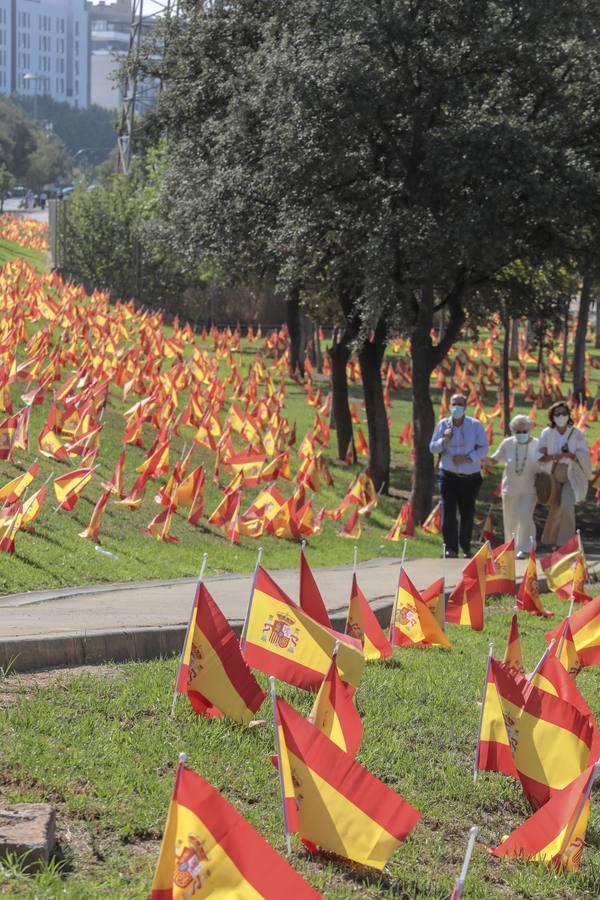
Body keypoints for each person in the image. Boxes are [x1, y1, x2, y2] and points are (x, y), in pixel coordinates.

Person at [429, 393, 489, 558]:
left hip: (470, 477)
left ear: (465, 407)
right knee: (448, 513)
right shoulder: (443, 425)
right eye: (454, 404)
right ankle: (450, 548)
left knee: (467, 513)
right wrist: (444, 441)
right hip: (448, 475)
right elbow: (433, 448)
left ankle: (466, 547)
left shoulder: (475, 425)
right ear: (449, 406)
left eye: (460, 404)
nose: (457, 407)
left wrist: (468, 458)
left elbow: (484, 447)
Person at [482, 415, 539, 558]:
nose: (521, 434)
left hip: (530, 488)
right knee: (510, 519)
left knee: (525, 516)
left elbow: (544, 465)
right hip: (510, 488)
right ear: (513, 431)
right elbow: (495, 460)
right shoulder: (507, 443)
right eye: (518, 432)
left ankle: (525, 548)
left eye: (524, 431)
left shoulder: (537, 444)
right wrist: (483, 458)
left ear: (530, 430)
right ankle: (510, 547)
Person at [538, 401, 591, 548]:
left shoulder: (576, 433)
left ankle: (566, 544)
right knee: (556, 507)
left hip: (571, 475)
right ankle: (550, 540)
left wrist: (571, 456)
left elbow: (584, 454)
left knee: (567, 505)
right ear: (552, 416)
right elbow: (540, 454)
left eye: (563, 413)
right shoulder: (547, 433)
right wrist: (555, 456)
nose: (560, 416)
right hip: (552, 475)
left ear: (568, 415)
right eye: (557, 414)